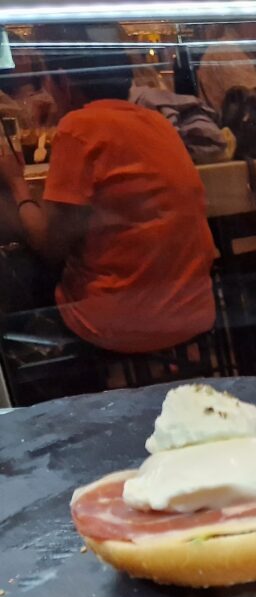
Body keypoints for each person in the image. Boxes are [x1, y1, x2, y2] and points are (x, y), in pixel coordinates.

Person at [0, 39, 218, 360]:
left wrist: (16, 183)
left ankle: (45, 384)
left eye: (48, 79)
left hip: (121, 322)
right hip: (192, 309)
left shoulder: (79, 127)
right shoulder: (156, 122)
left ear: (63, 81)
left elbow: (49, 245)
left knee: (15, 270)